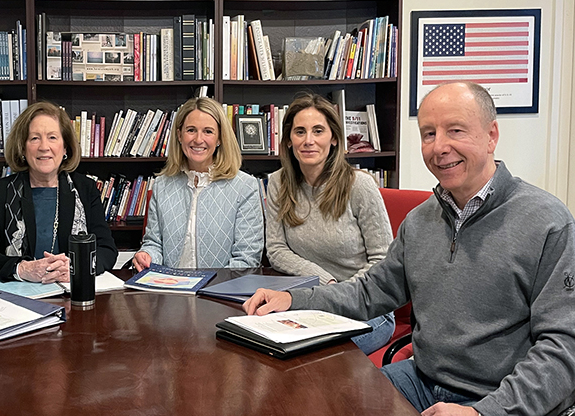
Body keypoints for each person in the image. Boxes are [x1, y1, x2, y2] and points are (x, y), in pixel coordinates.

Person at [243, 82, 575, 416]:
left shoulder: (547, 222)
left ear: (491, 135)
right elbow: (370, 292)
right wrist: (294, 300)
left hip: (497, 396)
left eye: (455, 130)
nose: (439, 147)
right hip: (422, 379)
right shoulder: (419, 222)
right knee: (319, 401)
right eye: (428, 134)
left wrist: (483, 413)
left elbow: (564, 348)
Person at [266, 93, 394, 355]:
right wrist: (326, 283)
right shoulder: (278, 183)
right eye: (299, 132)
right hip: (312, 302)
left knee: (316, 357)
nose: (308, 140)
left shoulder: (360, 185)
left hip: (367, 307)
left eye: (318, 131)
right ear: (289, 140)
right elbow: (277, 250)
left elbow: (383, 260)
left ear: (334, 138)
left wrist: (341, 294)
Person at [0, 101, 117, 282]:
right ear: (22, 147)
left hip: (72, 292)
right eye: (35, 138)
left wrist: (79, 266)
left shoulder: (85, 189)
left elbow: (106, 249)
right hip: (19, 297)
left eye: (52, 137)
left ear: (65, 147)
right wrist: (22, 269)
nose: (44, 147)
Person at [133, 97, 263, 270]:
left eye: (208, 131)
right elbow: (154, 243)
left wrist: (207, 286)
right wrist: (147, 255)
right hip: (169, 289)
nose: (198, 139)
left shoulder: (245, 187)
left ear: (219, 139)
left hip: (219, 291)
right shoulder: (161, 185)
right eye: (191, 130)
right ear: (179, 135)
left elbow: (247, 258)